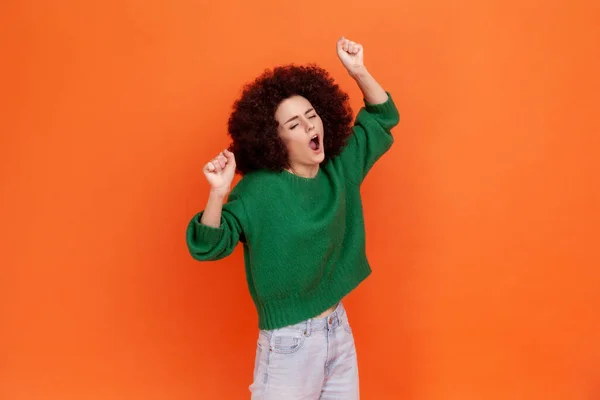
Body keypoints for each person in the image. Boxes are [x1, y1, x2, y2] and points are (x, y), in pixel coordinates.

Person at [186, 36, 399, 399]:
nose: (310, 126)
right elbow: (209, 245)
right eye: (294, 125)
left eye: (312, 116)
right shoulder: (259, 191)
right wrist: (218, 194)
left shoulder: (339, 167)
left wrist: (358, 70)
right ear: (276, 139)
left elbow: (383, 118)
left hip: (338, 330)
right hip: (289, 344)